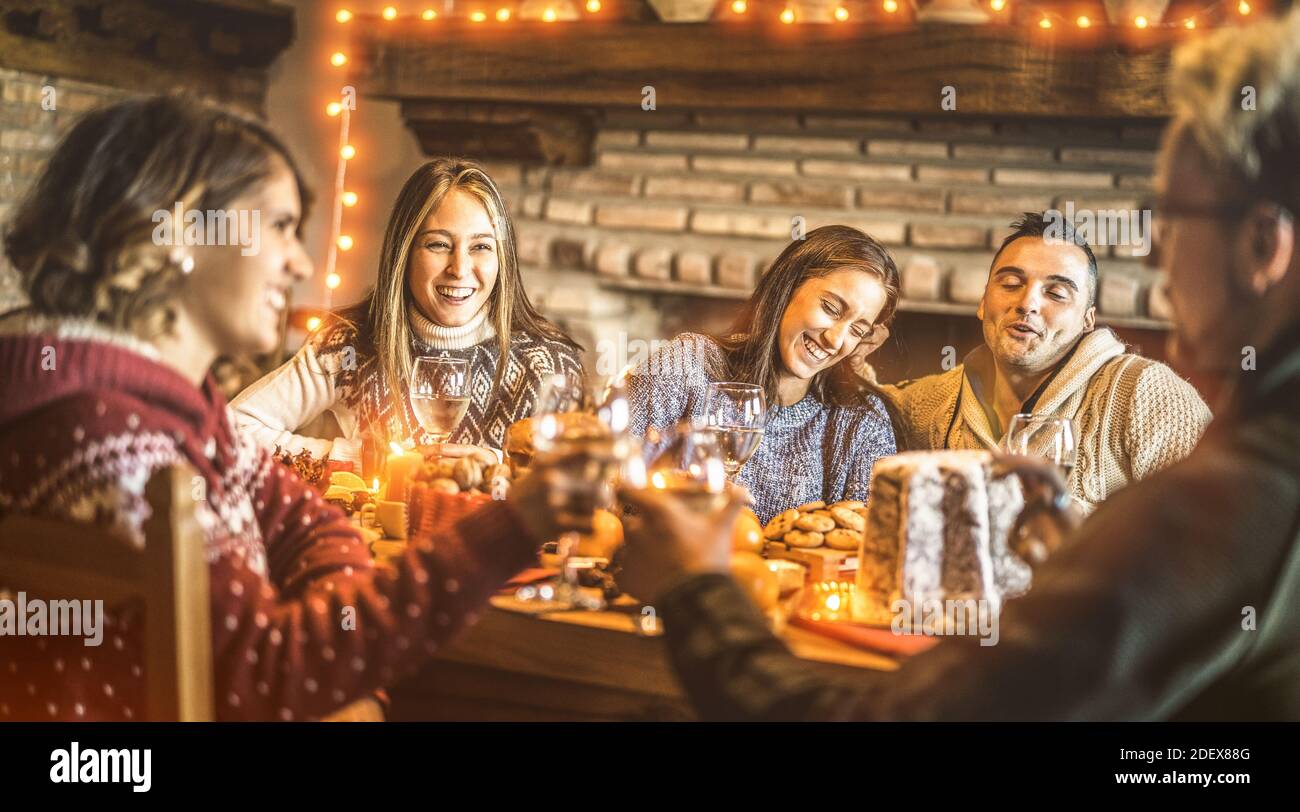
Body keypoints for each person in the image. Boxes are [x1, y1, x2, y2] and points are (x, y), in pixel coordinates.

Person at [617, 10, 1300, 721]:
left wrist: (697, 587)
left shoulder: (1221, 490)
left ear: (1260, 248)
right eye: (1009, 281)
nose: (1157, 257)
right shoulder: (921, 404)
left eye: (1170, 221)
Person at [0, 96, 573, 721]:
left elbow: (310, 527)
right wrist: (509, 530)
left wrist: (338, 656)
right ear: (183, 237)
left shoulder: (181, 410)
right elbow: (271, 679)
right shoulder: (117, 448)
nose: (301, 262)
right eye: (278, 227)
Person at [231, 157, 584, 469]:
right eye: (438, 244)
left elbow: (578, 481)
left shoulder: (547, 362)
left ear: (502, 258)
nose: (459, 268)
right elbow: (232, 430)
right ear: (404, 252)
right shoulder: (349, 344)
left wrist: (499, 465)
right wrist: (356, 460)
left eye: (480, 247)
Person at [860, 212, 1211, 510]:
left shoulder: (1146, 394)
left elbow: (1224, 527)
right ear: (983, 303)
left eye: (1056, 293)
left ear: (1088, 320)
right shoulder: (934, 403)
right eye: (1011, 283)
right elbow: (861, 409)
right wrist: (850, 349)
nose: (1027, 302)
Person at [624, 225, 897, 523]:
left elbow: (868, 547)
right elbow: (604, 485)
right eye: (831, 308)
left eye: (857, 330)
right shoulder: (686, 365)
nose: (836, 339)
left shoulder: (862, 421)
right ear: (788, 286)